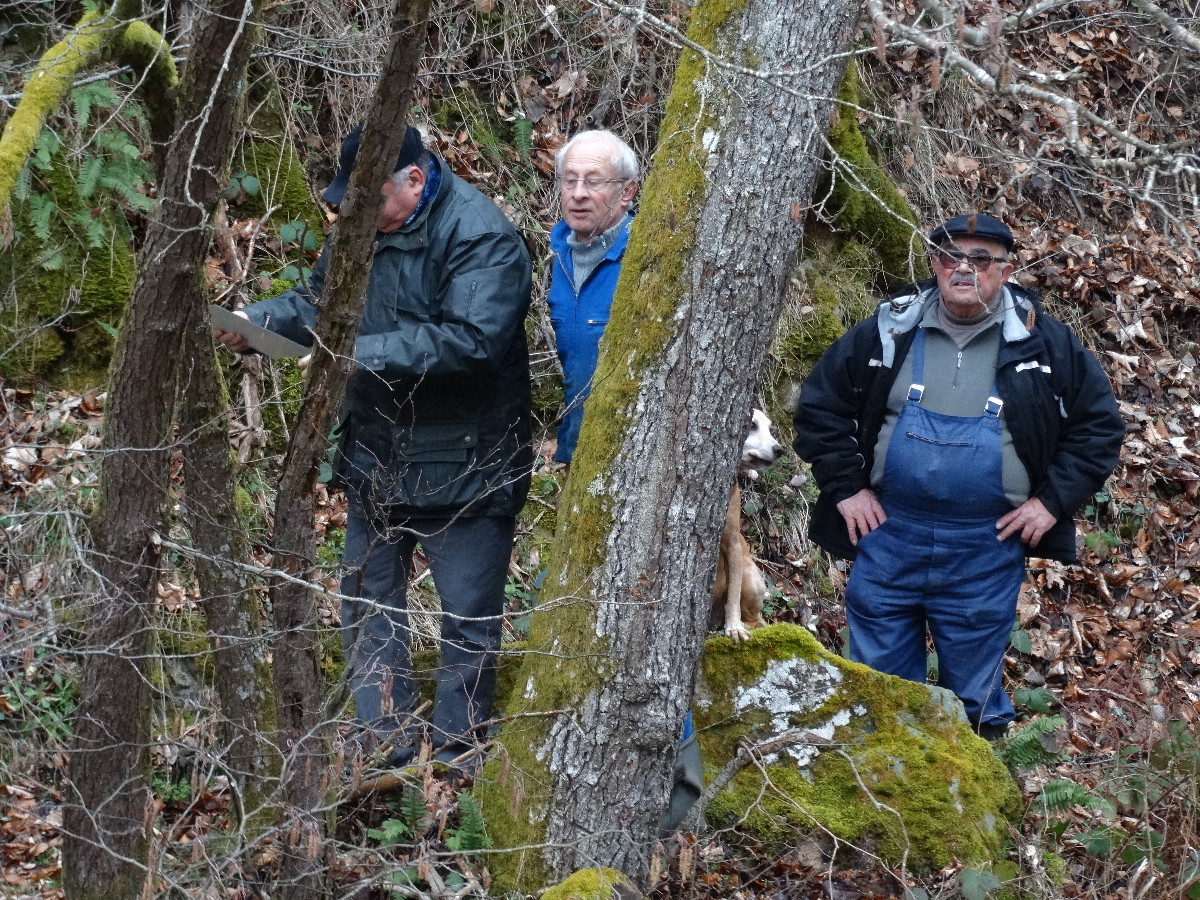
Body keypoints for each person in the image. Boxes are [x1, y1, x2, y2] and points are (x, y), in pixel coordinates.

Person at [213, 124, 534, 771]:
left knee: (467, 626)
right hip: (377, 463)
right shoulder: (361, 228)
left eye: (368, 199)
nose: (352, 214)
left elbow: (473, 340)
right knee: (365, 611)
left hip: (465, 472)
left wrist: (362, 355)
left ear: (414, 181)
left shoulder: (480, 236)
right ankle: (385, 755)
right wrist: (257, 326)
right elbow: (318, 303)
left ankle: (456, 766)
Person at [793, 213, 1123, 739]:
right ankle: (889, 790)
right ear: (934, 264)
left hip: (985, 545)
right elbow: (820, 407)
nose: (963, 269)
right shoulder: (890, 329)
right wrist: (847, 489)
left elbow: (1099, 428)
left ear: (1006, 271)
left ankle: (973, 800)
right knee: (881, 690)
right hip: (888, 534)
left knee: (973, 698)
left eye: (981, 259)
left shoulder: (1043, 343)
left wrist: (1052, 503)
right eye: (951, 257)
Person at [547, 129, 639, 468]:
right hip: (581, 451)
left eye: (594, 182)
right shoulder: (561, 256)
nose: (578, 194)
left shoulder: (648, 261)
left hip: (633, 457)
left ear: (627, 191)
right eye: (570, 181)